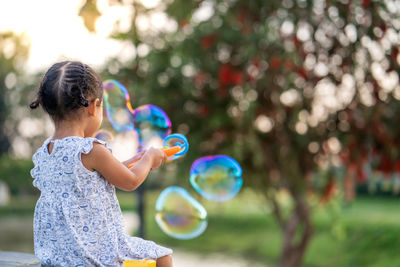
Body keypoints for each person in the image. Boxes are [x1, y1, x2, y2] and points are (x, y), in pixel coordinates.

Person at [29, 61, 173, 267]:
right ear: (91, 106)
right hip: (93, 254)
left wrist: (128, 162)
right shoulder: (90, 149)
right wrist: (149, 158)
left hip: (59, 257)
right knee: (163, 255)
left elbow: (87, 179)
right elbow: (131, 182)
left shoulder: (45, 152)